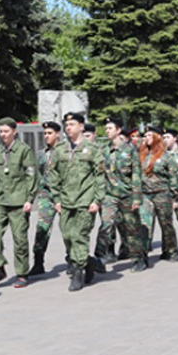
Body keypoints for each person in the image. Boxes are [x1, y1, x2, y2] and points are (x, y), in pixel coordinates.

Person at [50, 112, 105, 291]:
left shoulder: (93, 149)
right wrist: (56, 198)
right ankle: (89, 263)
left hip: (85, 200)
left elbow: (100, 175)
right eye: (66, 124)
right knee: (67, 236)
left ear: (82, 127)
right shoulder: (60, 149)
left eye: (72, 124)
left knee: (79, 236)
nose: (68, 127)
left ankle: (78, 273)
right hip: (66, 201)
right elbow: (54, 175)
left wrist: (97, 199)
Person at [0, 117, 38, 288]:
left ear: (14, 131)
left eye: (6, 131)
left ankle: (22, 273)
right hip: (1, 200)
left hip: (19, 200)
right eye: (0, 131)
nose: (3, 134)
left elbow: (31, 174)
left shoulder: (24, 150)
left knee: (20, 239)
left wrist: (29, 199)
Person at [94, 118, 143, 270]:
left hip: (127, 195)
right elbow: (100, 173)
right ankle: (99, 258)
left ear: (118, 130)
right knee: (106, 225)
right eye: (106, 128)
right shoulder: (104, 150)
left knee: (132, 228)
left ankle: (138, 258)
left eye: (110, 128)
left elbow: (136, 174)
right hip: (110, 195)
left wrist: (137, 197)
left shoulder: (130, 150)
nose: (107, 131)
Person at [138, 125, 178, 265]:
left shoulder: (166, 156)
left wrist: (175, 198)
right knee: (144, 225)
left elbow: (173, 178)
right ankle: (142, 256)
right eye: (145, 136)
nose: (146, 138)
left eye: (149, 135)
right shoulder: (141, 155)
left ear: (157, 138)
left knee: (166, 224)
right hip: (145, 196)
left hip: (162, 195)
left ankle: (171, 250)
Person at [29, 121, 62, 277]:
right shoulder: (41, 154)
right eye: (45, 133)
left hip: (64, 196)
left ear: (58, 134)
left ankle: (74, 260)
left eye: (49, 133)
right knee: (41, 229)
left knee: (68, 230)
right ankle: (38, 262)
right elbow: (37, 174)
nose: (46, 136)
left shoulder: (65, 152)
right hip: (47, 196)